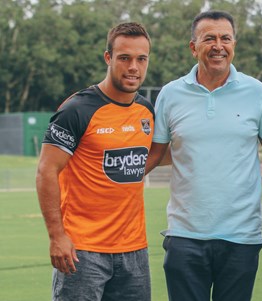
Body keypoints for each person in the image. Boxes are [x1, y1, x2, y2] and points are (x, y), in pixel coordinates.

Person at [145, 10, 262, 301]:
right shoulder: (170, 94)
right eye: (209, 38)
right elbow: (154, 155)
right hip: (184, 236)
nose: (218, 45)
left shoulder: (256, 91)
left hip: (241, 237)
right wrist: (106, 179)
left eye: (225, 38)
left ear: (234, 44)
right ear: (193, 46)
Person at [36, 22, 153, 301]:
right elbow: (46, 171)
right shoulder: (77, 109)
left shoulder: (146, 109)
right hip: (83, 251)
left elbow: (151, 157)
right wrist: (56, 235)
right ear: (108, 57)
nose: (133, 67)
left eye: (141, 59)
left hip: (135, 251)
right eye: (124, 58)